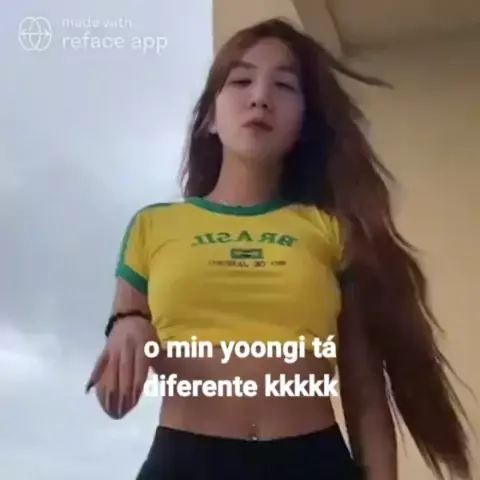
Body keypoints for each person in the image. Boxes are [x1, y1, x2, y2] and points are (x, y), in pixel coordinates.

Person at [85, 18, 472, 480]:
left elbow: (364, 391)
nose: (260, 97)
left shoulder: (330, 230)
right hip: (185, 461)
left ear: (303, 124)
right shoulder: (152, 226)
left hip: (311, 462)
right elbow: (114, 390)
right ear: (210, 118)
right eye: (241, 81)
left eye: (284, 85)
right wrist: (129, 326)